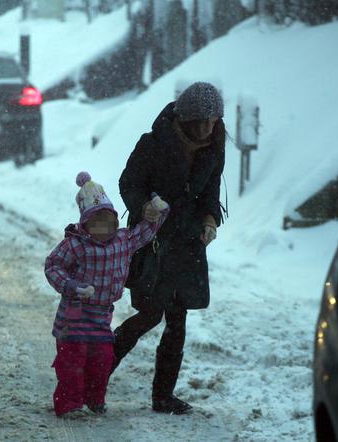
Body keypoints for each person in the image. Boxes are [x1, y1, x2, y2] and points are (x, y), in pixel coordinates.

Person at [113, 81, 226, 415]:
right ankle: (98, 371)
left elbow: (210, 196)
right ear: (185, 118)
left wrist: (209, 221)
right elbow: (129, 183)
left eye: (213, 121)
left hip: (188, 245)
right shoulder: (153, 144)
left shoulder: (213, 150)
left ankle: (163, 396)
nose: (208, 129)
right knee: (149, 314)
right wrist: (144, 205)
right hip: (155, 243)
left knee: (178, 321)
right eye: (201, 121)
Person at [45, 171, 169, 417]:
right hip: (75, 316)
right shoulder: (76, 245)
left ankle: (94, 399)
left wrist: (158, 210)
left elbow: (145, 232)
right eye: (97, 221)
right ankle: (69, 403)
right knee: (73, 361)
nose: (105, 227)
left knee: (101, 359)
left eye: (109, 220)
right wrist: (70, 285)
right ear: (86, 224)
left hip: (102, 317)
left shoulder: (122, 241)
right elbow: (53, 265)